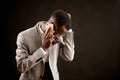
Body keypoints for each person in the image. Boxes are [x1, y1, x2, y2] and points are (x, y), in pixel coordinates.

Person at [15, 9, 75, 80]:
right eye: (57, 33)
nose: (58, 38)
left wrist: (68, 30)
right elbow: (21, 67)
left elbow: (69, 57)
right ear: (50, 24)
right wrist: (43, 49)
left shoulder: (59, 36)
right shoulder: (23, 36)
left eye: (61, 35)